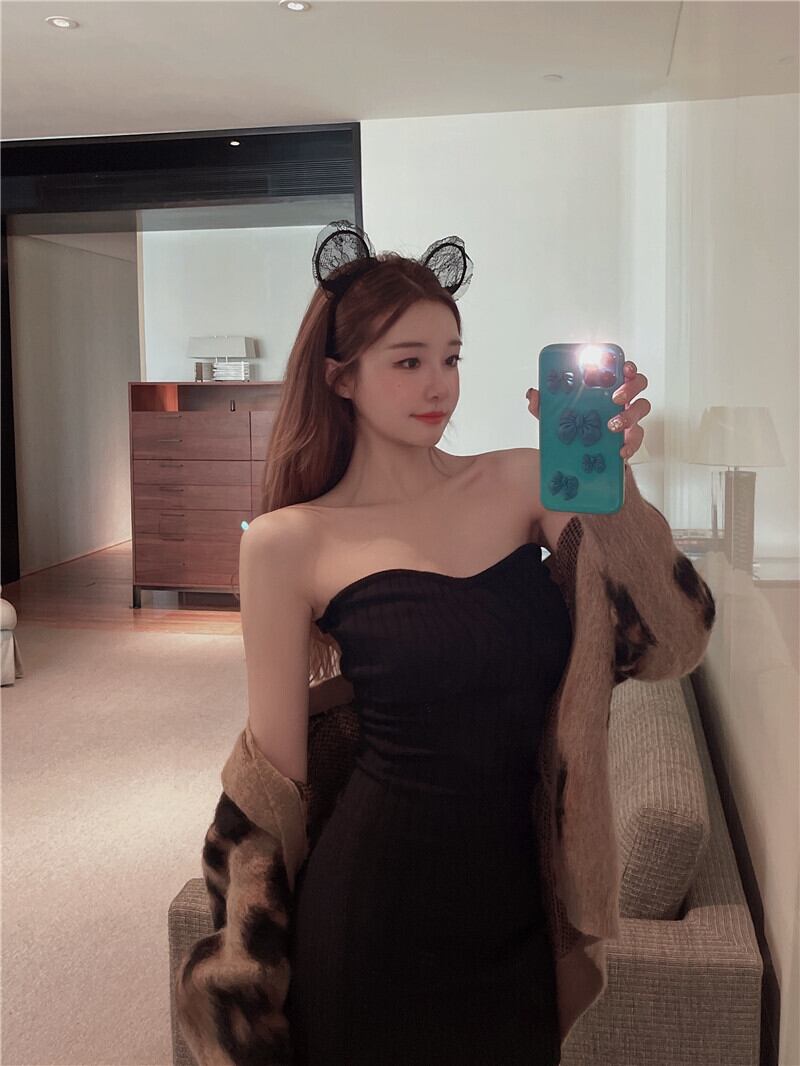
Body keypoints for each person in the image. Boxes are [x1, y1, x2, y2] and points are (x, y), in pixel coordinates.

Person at [235, 221, 652, 1064]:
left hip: (516, 903)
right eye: (408, 361)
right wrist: (253, 971)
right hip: (372, 912)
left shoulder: (523, 482)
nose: (440, 386)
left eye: (451, 358)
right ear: (340, 377)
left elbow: (652, 640)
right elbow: (275, 785)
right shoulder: (288, 541)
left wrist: (618, 491)